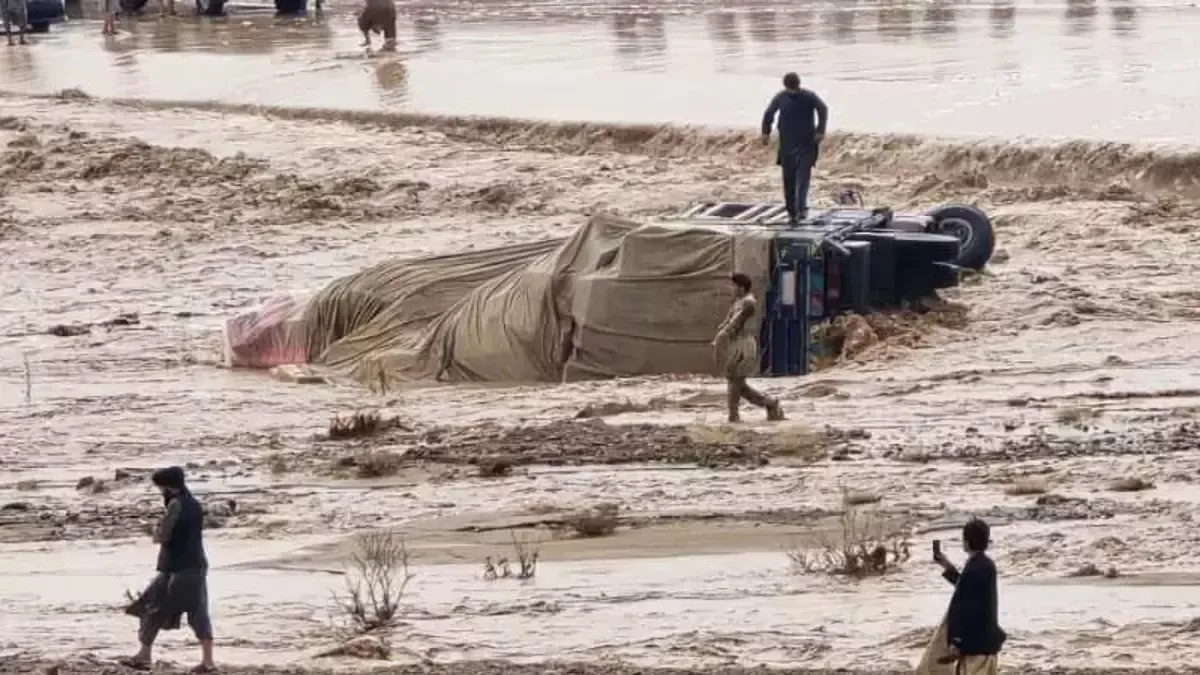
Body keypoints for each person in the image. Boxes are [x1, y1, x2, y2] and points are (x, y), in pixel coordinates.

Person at [121, 466, 216, 673]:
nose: (160, 491)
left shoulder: (175, 504)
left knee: (153, 606)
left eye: (160, 487)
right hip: (192, 565)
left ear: (168, 487)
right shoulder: (194, 504)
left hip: (177, 568)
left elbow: (164, 536)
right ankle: (206, 661)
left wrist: (151, 529)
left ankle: (145, 655)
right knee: (196, 610)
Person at [924, 517, 1006, 675]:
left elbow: (965, 606)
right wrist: (948, 567)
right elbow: (968, 590)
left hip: (975, 649)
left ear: (966, 543)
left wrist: (956, 641)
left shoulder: (973, 568)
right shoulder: (986, 565)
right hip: (986, 645)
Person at [710, 273, 784, 424]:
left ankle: (734, 416)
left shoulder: (749, 303)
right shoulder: (738, 302)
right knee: (736, 382)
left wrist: (721, 336)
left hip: (745, 345)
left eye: (733, 286)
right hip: (736, 344)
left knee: (735, 380)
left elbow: (735, 323)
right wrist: (720, 335)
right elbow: (727, 322)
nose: (731, 289)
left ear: (741, 288)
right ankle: (769, 403)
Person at [760, 72, 829, 224]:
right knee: (789, 180)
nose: (793, 91)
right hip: (788, 145)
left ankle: (800, 209)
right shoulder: (781, 97)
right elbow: (769, 114)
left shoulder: (807, 96)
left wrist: (820, 131)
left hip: (806, 144)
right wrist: (765, 132)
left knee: (802, 179)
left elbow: (823, 109)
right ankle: (792, 211)